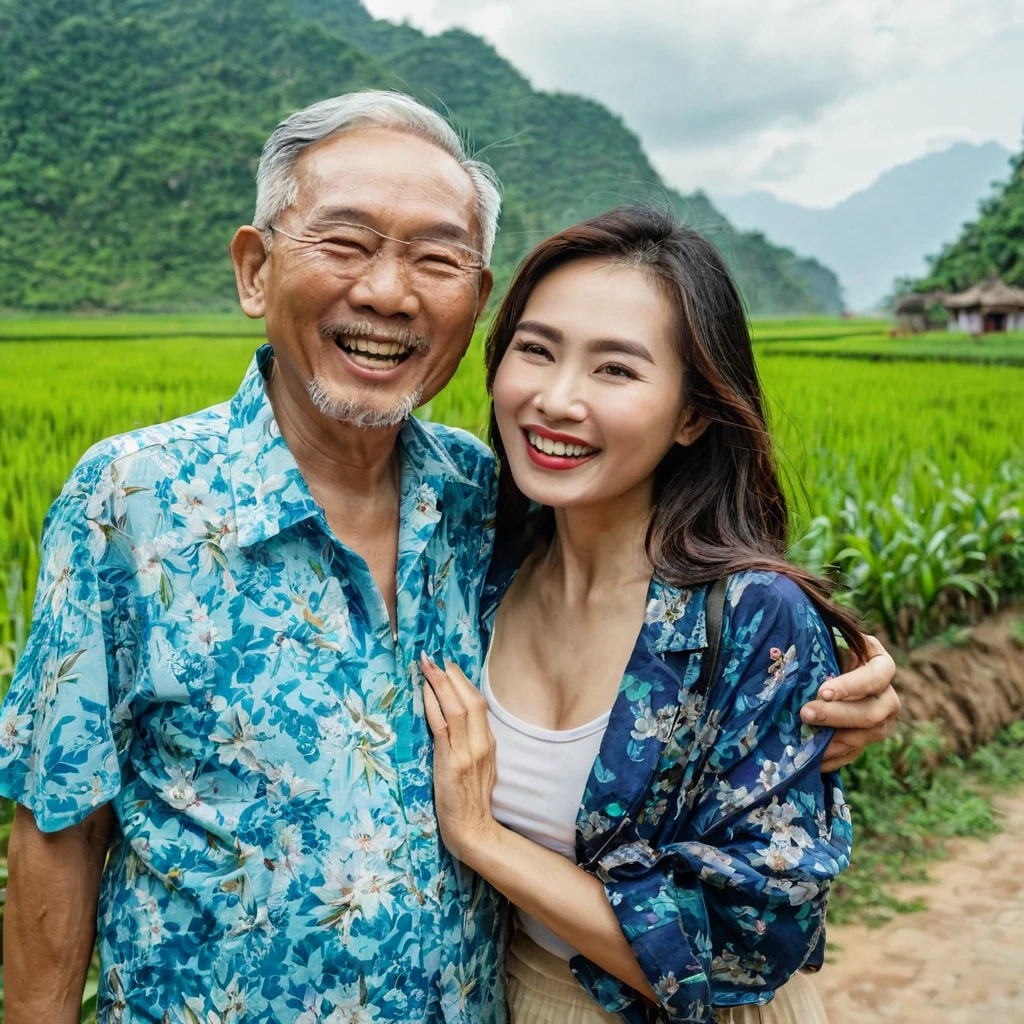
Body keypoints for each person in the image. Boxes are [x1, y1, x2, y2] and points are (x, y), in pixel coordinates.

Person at [0, 93, 898, 1024]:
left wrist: (826, 676)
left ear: (474, 299)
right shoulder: (133, 501)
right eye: (345, 243)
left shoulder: (484, 503)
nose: (388, 294)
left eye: (435, 259)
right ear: (255, 270)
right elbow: (60, 822)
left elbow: (676, 624)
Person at [420, 207, 870, 1024]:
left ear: (693, 413)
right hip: (517, 997)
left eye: (616, 371)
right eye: (536, 350)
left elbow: (744, 942)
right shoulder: (478, 563)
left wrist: (482, 837)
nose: (556, 400)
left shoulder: (751, 617)